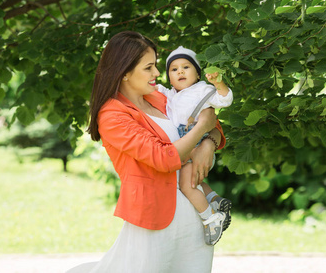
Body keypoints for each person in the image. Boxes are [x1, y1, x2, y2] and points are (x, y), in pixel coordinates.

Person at [66, 31, 226, 273]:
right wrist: (203, 129)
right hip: (154, 219)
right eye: (149, 67)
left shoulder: (160, 96)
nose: (157, 74)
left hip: (196, 215)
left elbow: (212, 124)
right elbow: (163, 158)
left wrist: (207, 144)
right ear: (125, 72)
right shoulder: (112, 116)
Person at [157, 46, 234, 245]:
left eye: (185, 67)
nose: (180, 71)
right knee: (194, 181)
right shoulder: (171, 94)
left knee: (187, 185)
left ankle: (211, 218)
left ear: (198, 73)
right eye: (174, 69)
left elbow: (225, 100)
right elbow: (155, 88)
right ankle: (216, 200)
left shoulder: (203, 90)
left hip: (197, 140)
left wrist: (218, 83)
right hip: (185, 141)